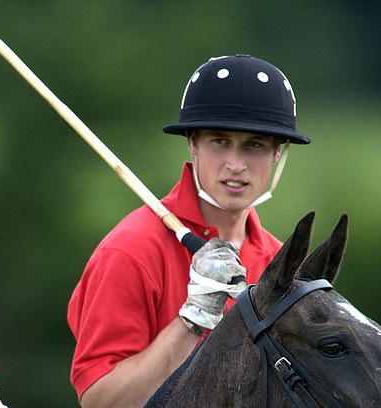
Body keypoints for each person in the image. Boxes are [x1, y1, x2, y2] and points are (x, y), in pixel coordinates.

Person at [67, 54, 311, 408]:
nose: (236, 164)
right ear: (192, 143)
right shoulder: (130, 249)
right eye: (220, 141)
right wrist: (192, 320)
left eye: (254, 145)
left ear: (278, 152)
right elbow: (103, 402)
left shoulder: (279, 261)